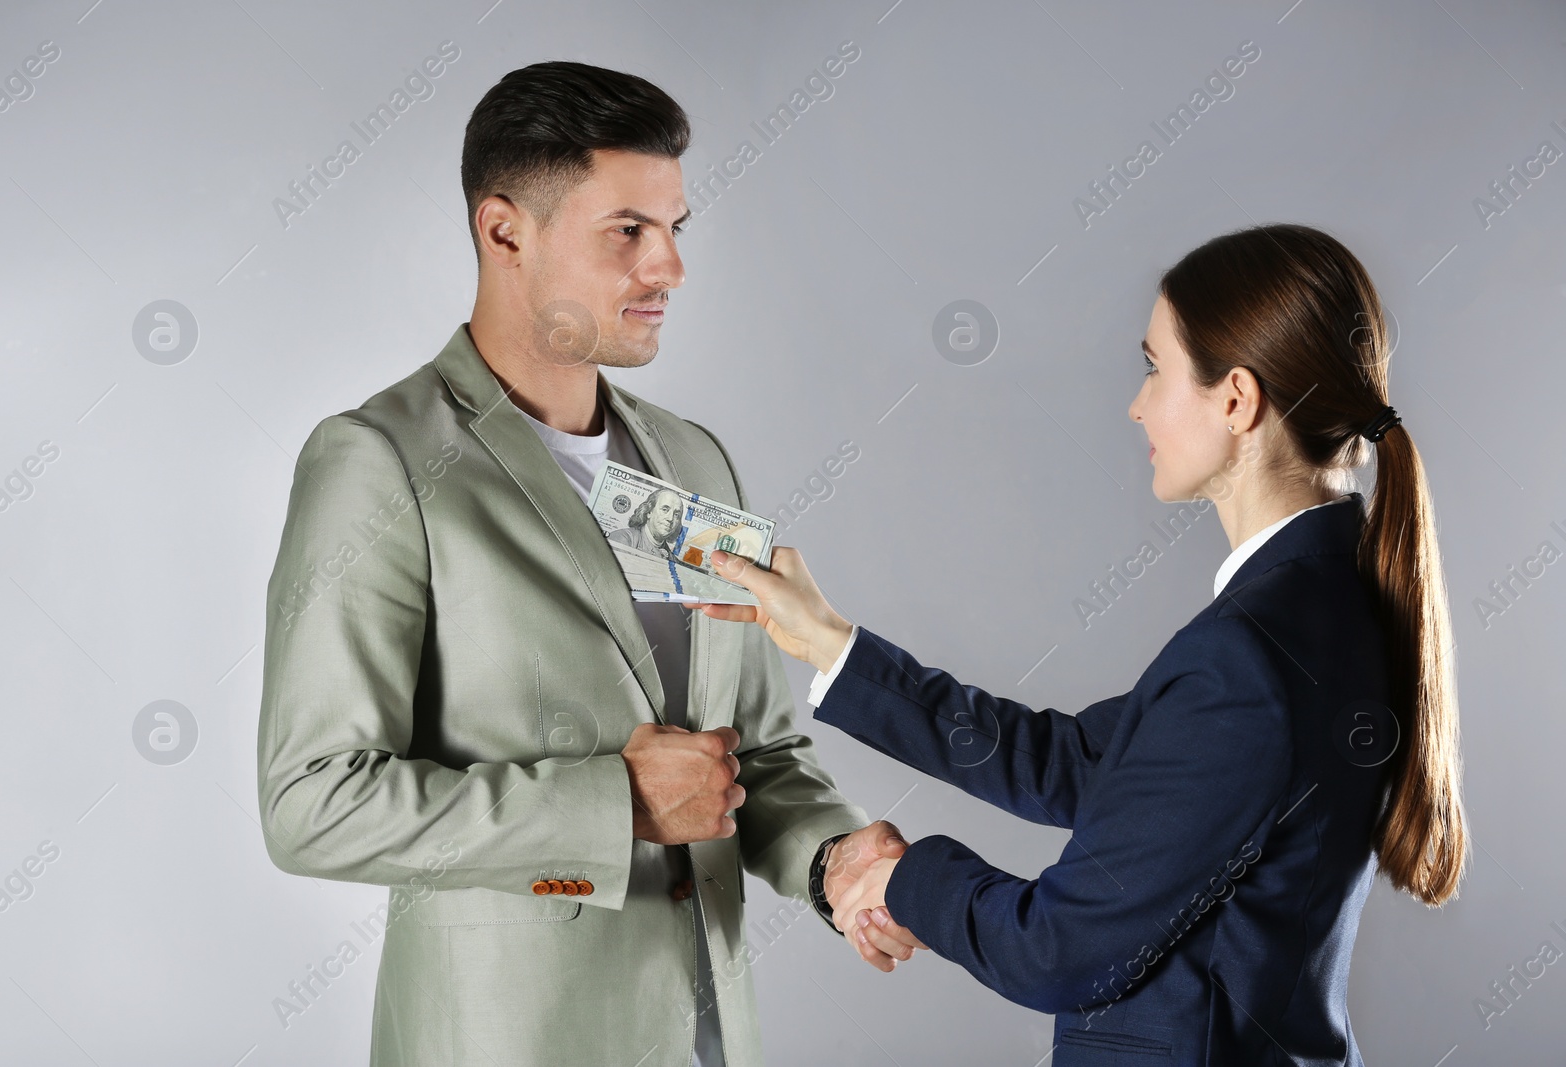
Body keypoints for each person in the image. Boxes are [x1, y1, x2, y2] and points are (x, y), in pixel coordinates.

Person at [255, 61, 907, 1067]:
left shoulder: (695, 460)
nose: (670, 270)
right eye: (628, 233)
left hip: (709, 1034)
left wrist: (833, 858)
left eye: (674, 230)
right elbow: (314, 802)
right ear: (504, 230)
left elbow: (758, 756)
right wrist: (613, 803)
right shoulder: (378, 460)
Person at [695, 223, 1468, 1065]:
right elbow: (1079, 762)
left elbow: (1059, 950)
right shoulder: (1327, 603)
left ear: (1236, 400)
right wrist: (831, 644)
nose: (1138, 403)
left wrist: (901, 878)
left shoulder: (1250, 655)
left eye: (1154, 368)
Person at [609, 486, 684, 556]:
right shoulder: (623, 539)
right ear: (649, 512)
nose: (670, 518)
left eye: (676, 515)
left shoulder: (672, 559)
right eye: (664, 510)